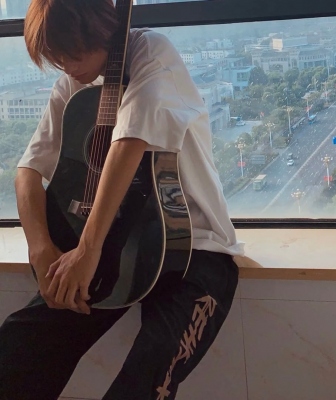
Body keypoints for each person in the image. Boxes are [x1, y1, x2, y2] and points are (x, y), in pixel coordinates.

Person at [0, 0, 244, 399]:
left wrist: (87, 250)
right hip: (115, 245)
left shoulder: (151, 52)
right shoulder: (73, 84)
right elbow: (28, 171)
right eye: (56, 58)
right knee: (19, 345)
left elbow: (130, 141)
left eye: (73, 53)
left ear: (101, 29)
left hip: (194, 248)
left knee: (148, 373)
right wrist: (41, 250)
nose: (66, 67)